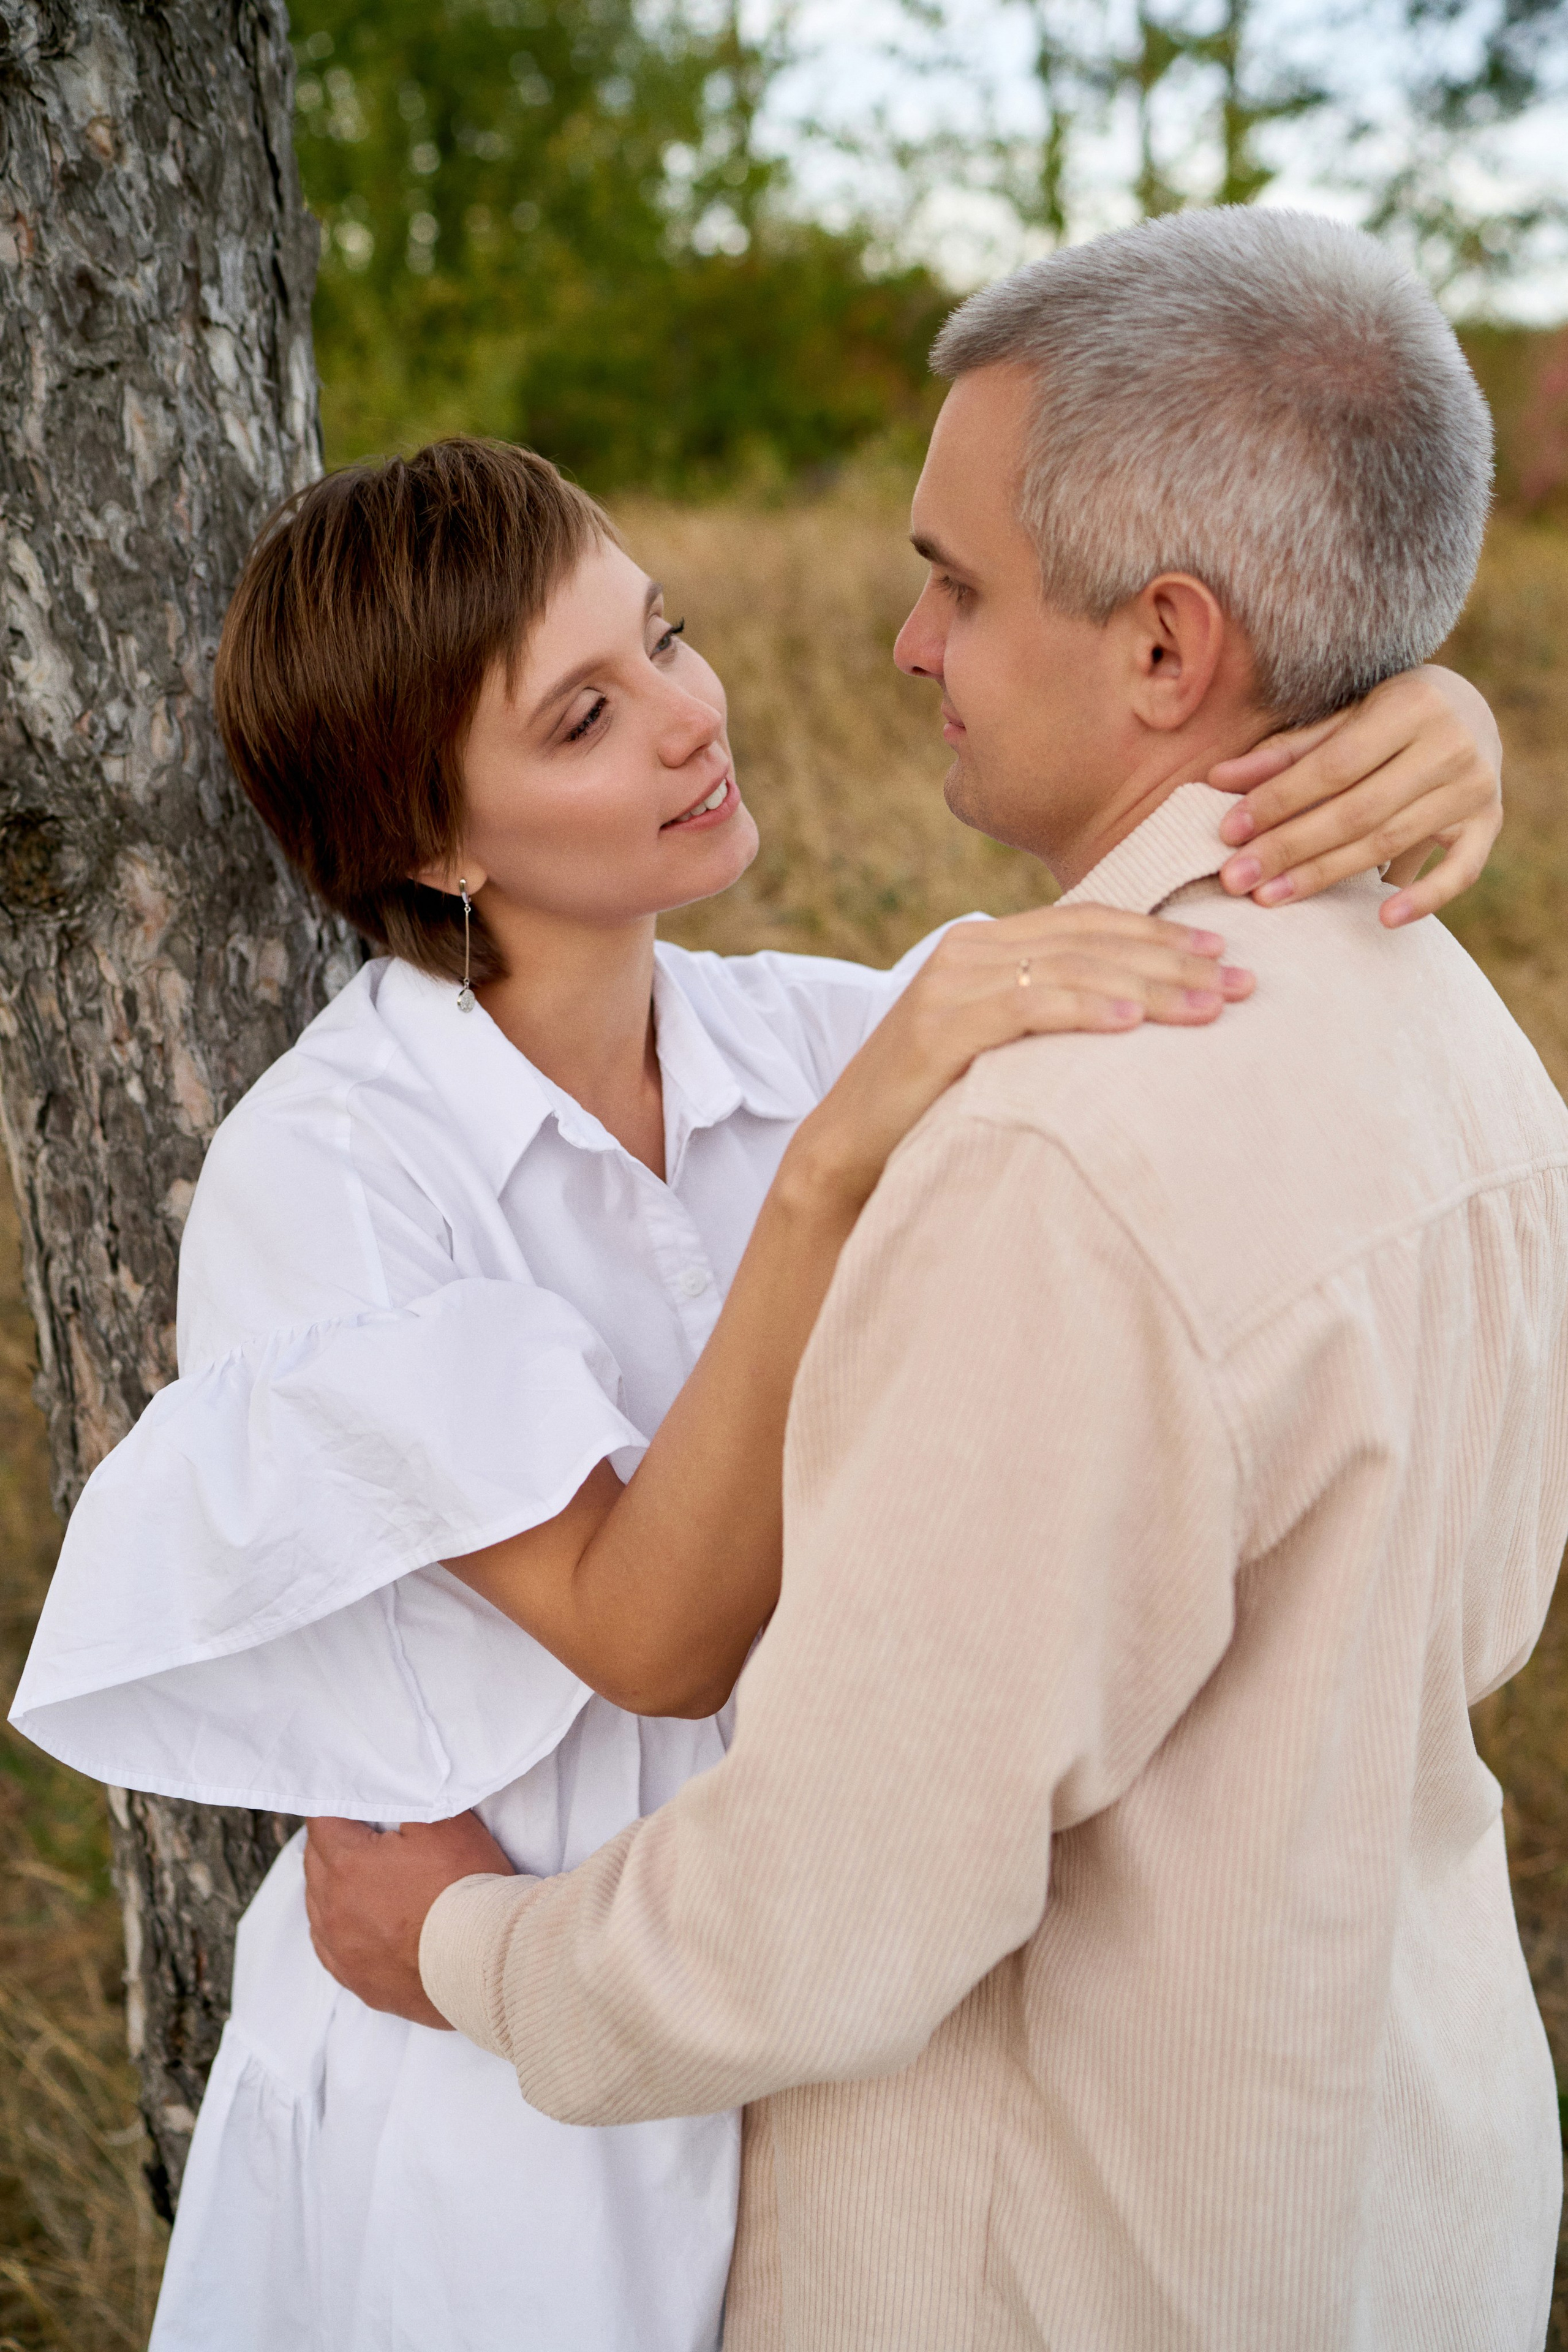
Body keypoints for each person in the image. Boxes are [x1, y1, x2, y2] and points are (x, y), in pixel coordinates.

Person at [10, 421, 1500, 2343]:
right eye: (581, 719)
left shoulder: (804, 1027)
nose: (689, 720)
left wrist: (1431, 715)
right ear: (433, 841)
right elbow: (653, 1637)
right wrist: (829, 1168)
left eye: (671, 637)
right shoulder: (336, 1173)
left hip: (784, 2007)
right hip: (486, 2077)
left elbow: (1163, 923)